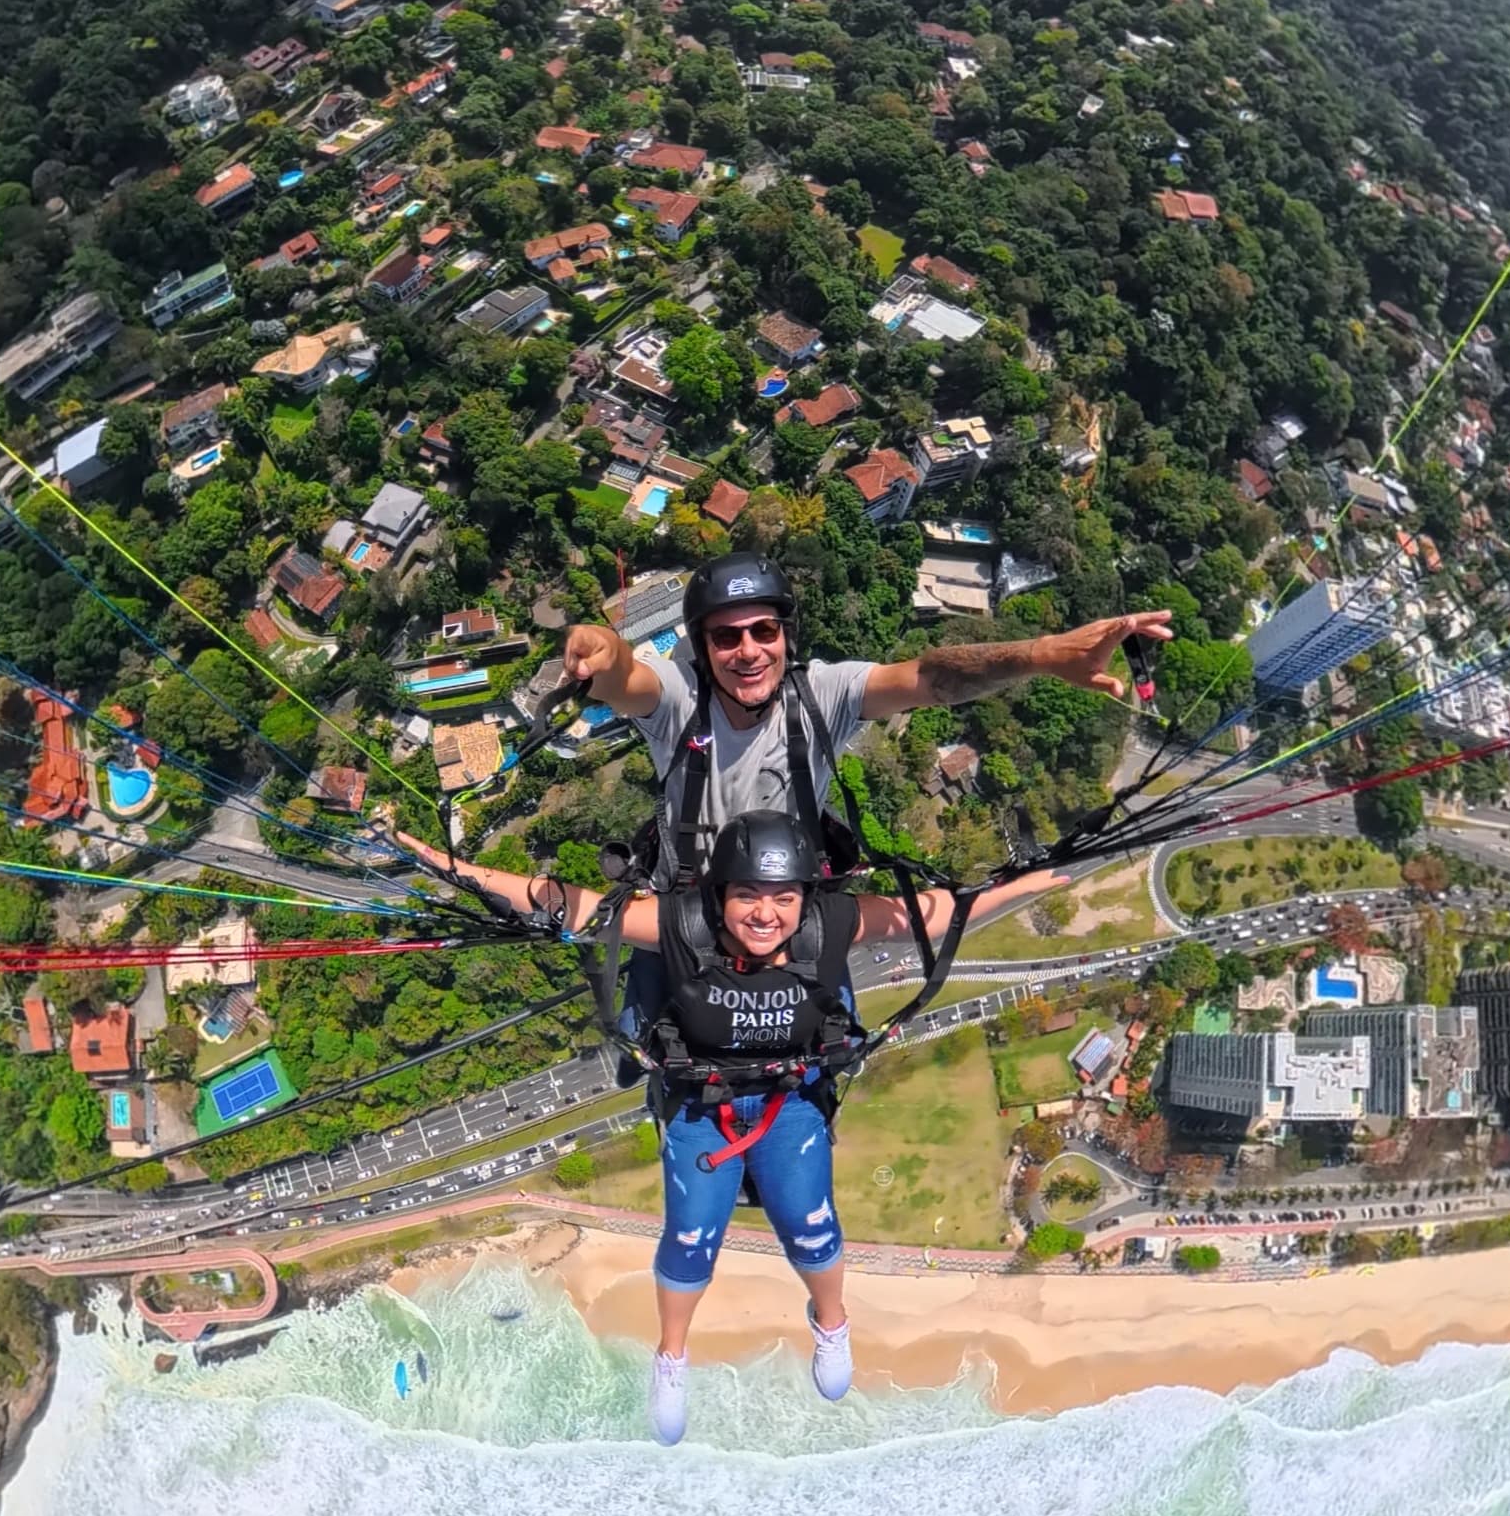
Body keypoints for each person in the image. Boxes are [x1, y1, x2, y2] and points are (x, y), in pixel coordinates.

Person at [383, 810, 1072, 1445]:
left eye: (782, 898)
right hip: (700, 1107)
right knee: (689, 1240)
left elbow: (932, 913)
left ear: (805, 896)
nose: (765, 915)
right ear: (720, 895)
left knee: (812, 1225)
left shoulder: (828, 924)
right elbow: (569, 904)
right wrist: (454, 869)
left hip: (789, 1101)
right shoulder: (684, 926)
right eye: (747, 896)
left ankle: (831, 1323)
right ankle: (671, 1354)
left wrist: (1032, 882)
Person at [562, 552, 1172, 844]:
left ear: (786, 637)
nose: (748, 650)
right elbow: (624, 679)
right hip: (690, 901)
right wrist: (602, 648)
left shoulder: (822, 693)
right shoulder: (679, 701)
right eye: (726, 636)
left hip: (791, 898)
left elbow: (931, 679)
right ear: (701, 648)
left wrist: (1039, 656)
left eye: (764, 631)